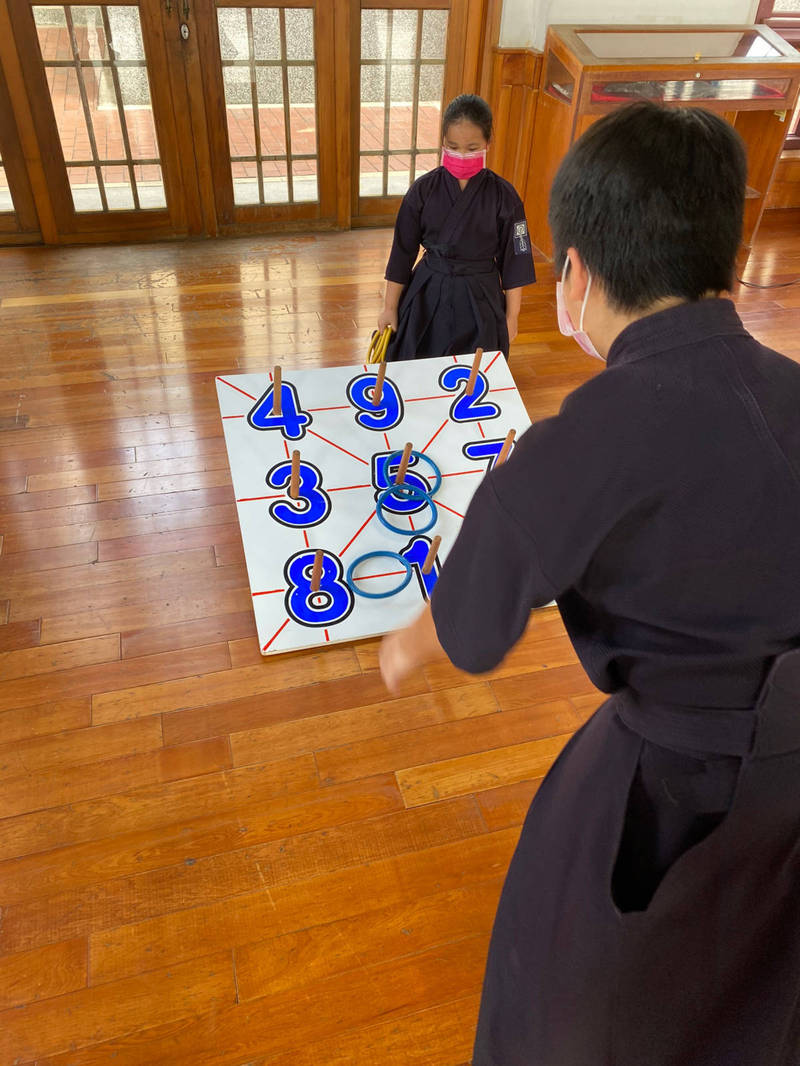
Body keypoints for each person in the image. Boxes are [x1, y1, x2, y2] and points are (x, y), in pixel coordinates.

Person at [379, 101, 800, 1065]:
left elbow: (474, 630)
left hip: (677, 791)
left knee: (565, 988)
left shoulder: (571, 450)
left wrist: (408, 642)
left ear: (574, 274)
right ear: (726, 255)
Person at [378, 94, 536, 361]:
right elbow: (402, 252)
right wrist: (389, 307)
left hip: (481, 296)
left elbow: (515, 261)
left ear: (488, 143)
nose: (462, 154)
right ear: (442, 142)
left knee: (475, 371)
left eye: (472, 148)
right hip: (427, 292)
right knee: (414, 362)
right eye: (453, 146)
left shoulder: (505, 197)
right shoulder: (423, 191)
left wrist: (512, 317)